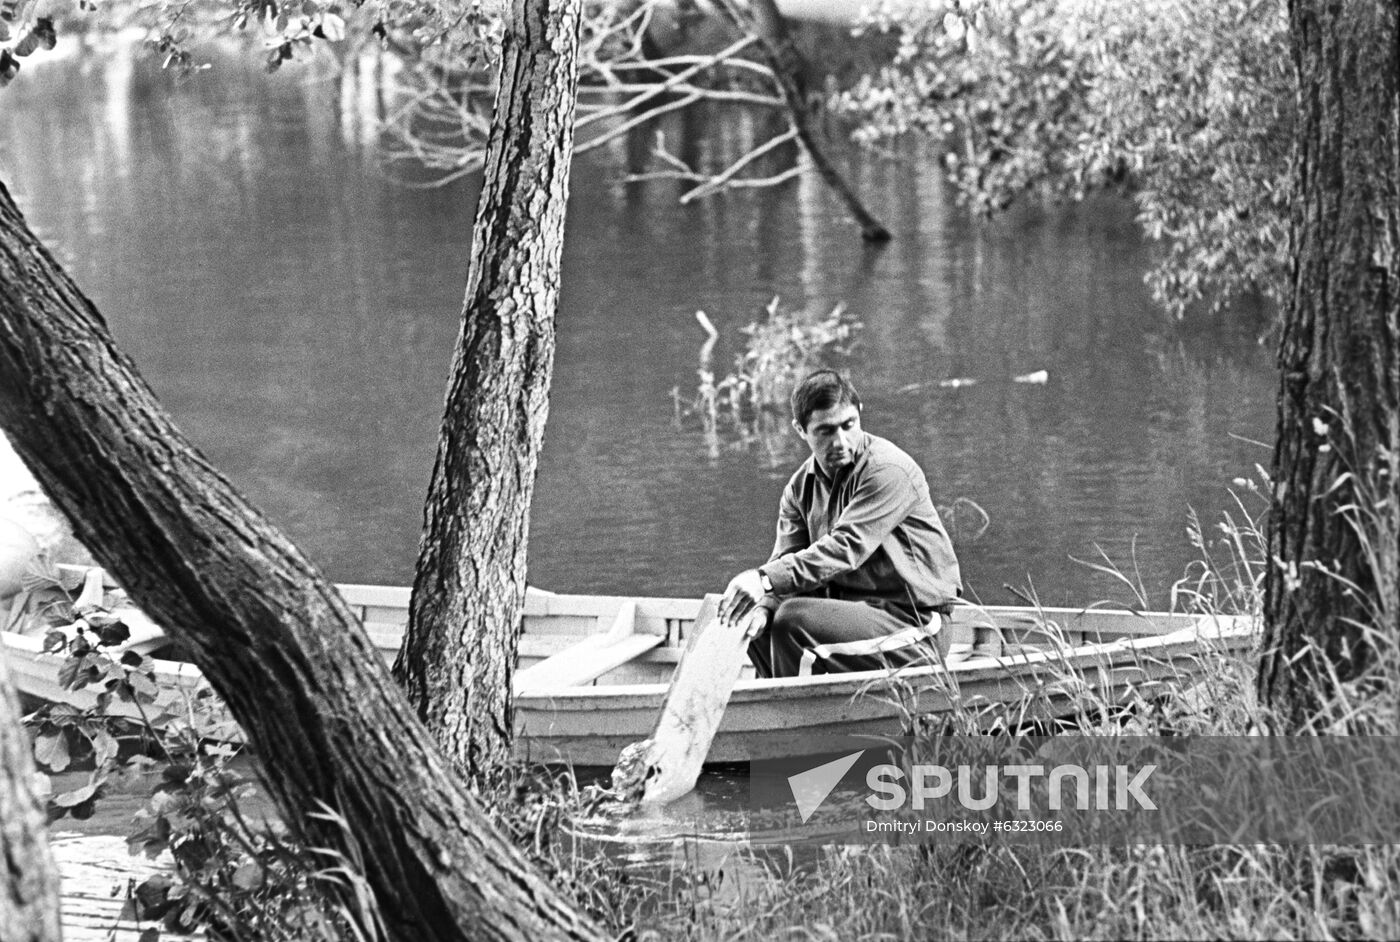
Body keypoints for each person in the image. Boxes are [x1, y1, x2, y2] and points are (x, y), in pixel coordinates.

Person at [718, 369, 962, 677]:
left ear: (859, 414)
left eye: (849, 425)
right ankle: (790, 713)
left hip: (915, 625)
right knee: (755, 621)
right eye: (825, 431)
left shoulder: (888, 470)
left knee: (792, 620)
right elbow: (786, 562)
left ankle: (796, 718)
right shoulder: (798, 488)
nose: (840, 441)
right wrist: (765, 604)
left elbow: (845, 548)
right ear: (800, 430)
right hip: (853, 619)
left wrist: (763, 579)